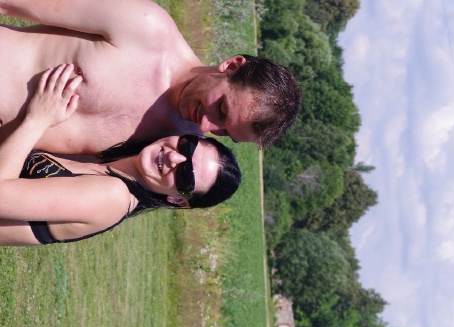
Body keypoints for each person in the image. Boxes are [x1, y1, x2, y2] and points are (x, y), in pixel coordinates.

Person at [0, 0, 301, 154]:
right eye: (221, 109)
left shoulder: (170, 149)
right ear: (232, 66)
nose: (206, 126)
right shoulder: (146, 29)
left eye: (224, 132)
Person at [0, 64, 241, 246]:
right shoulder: (108, 164)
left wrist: (37, 119)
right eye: (187, 147)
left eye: (185, 175)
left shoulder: (113, 196)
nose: (174, 158)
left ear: (178, 200)